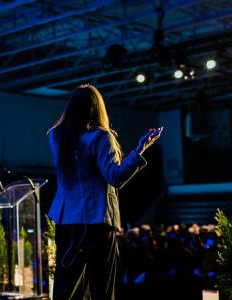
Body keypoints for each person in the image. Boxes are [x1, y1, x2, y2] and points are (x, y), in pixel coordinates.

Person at [47, 84, 161, 299]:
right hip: (96, 220)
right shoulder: (101, 137)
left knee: (67, 285)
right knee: (102, 285)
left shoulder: (55, 136)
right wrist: (140, 150)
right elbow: (115, 177)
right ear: (98, 107)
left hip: (65, 219)